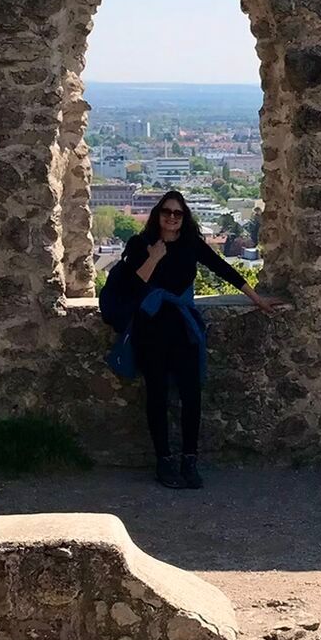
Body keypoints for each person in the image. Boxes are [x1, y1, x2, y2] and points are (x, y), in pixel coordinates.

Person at [119, 188, 283, 490]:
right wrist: (154, 257)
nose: (171, 217)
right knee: (156, 396)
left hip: (182, 328)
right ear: (158, 215)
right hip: (151, 329)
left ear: (184, 218)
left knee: (191, 394)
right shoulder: (140, 244)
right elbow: (131, 285)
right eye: (166, 212)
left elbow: (223, 269)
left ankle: (189, 459)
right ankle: (163, 460)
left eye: (177, 213)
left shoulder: (190, 244)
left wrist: (257, 299)